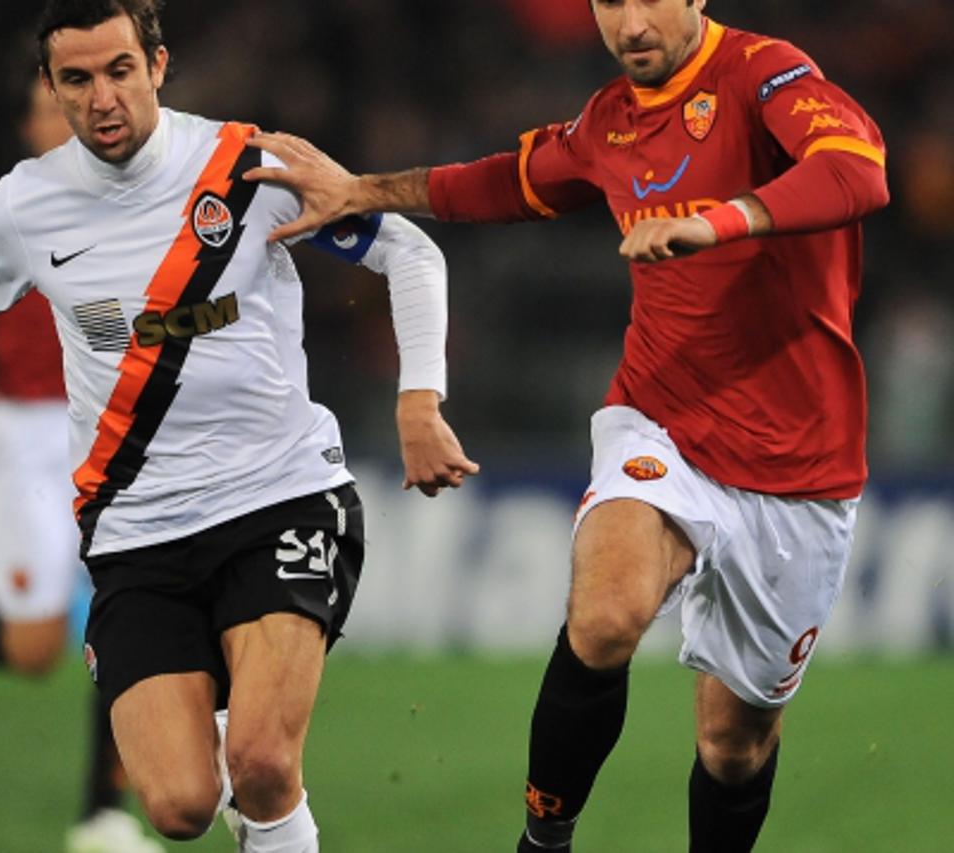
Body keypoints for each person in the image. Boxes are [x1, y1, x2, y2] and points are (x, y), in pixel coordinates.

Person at [0, 2, 478, 851]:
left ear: (158, 65)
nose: (102, 97)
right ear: (50, 87)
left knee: (263, 762)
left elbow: (408, 251)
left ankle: (254, 761)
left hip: (279, 497)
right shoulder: (27, 204)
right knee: (180, 807)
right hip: (136, 533)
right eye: (76, 79)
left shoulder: (247, 167)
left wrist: (420, 399)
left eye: (119, 70)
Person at [242, 1, 888, 850]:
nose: (630, 23)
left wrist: (716, 221)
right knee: (607, 615)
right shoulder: (609, 123)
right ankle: (543, 842)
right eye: (609, 2)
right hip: (662, 422)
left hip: (801, 463)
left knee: (733, 746)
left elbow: (856, 173)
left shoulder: (765, 74)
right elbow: (503, 183)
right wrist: (363, 190)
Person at [0, 76, 162, 853]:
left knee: (132, 616)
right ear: (29, 127)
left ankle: (101, 813)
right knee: (35, 651)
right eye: (52, 106)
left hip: (109, 433)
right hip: (23, 436)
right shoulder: (1, 207)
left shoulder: (141, 199)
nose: (74, 114)